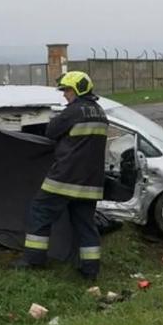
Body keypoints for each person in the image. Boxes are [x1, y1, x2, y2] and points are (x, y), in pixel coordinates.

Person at [13, 71, 108, 281]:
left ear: (78, 90)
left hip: (65, 178)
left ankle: (33, 260)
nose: (65, 94)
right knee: (85, 224)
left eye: (67, 90)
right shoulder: (100, 112)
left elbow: (51, 131)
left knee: (39, 212)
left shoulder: (73, 111)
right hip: (91, 183)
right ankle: (90, 270)